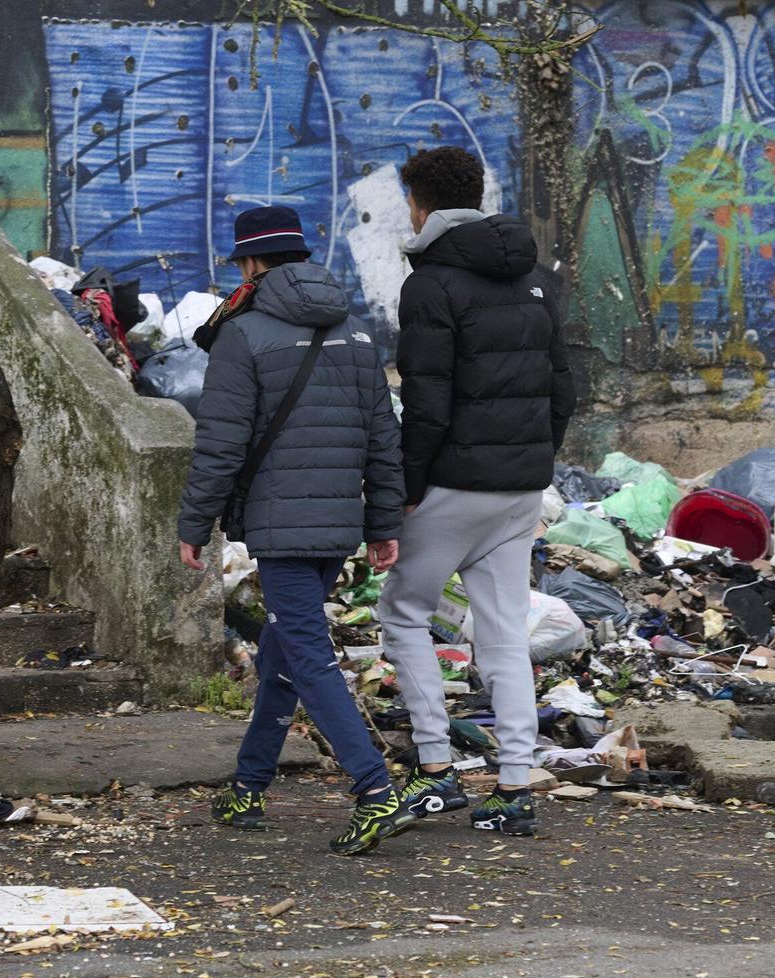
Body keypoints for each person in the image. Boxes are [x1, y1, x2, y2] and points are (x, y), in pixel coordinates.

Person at [177, 204, 411, 857]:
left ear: (251, 265)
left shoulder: (242, 336)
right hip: (337, 527)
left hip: (281, 529)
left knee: (306, 654)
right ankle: (250, 784)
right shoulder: (359, 333)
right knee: (283, 650)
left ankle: (375, 789)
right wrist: (383, 522)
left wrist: (195, 523)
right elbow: (382, 438)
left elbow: (219, 446)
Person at [375, 148, 575, 838]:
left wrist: (406, 483)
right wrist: (535, 458)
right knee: (503, 632)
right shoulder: (535, 277)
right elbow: (563, 387)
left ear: (419, 203)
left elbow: (426, 403)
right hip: (519, 490)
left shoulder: (430, 284)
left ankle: (435, 768)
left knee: (403, 611)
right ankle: (515, 782)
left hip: (453, 486)